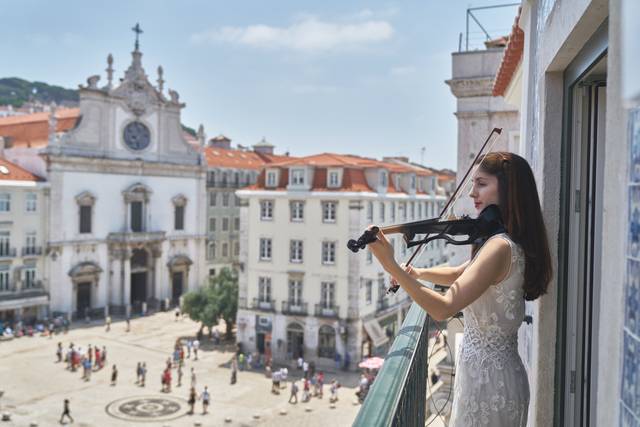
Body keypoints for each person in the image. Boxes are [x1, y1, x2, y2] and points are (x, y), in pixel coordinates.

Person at [369, 152, 552, 427]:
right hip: (491, 376)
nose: (471, 192)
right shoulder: (507, 240)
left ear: (507, 187)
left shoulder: (500, 246)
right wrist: (416, 273)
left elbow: (443, 307)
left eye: (481, 183)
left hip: (490, 385)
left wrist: (392, 266)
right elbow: (460, 273)